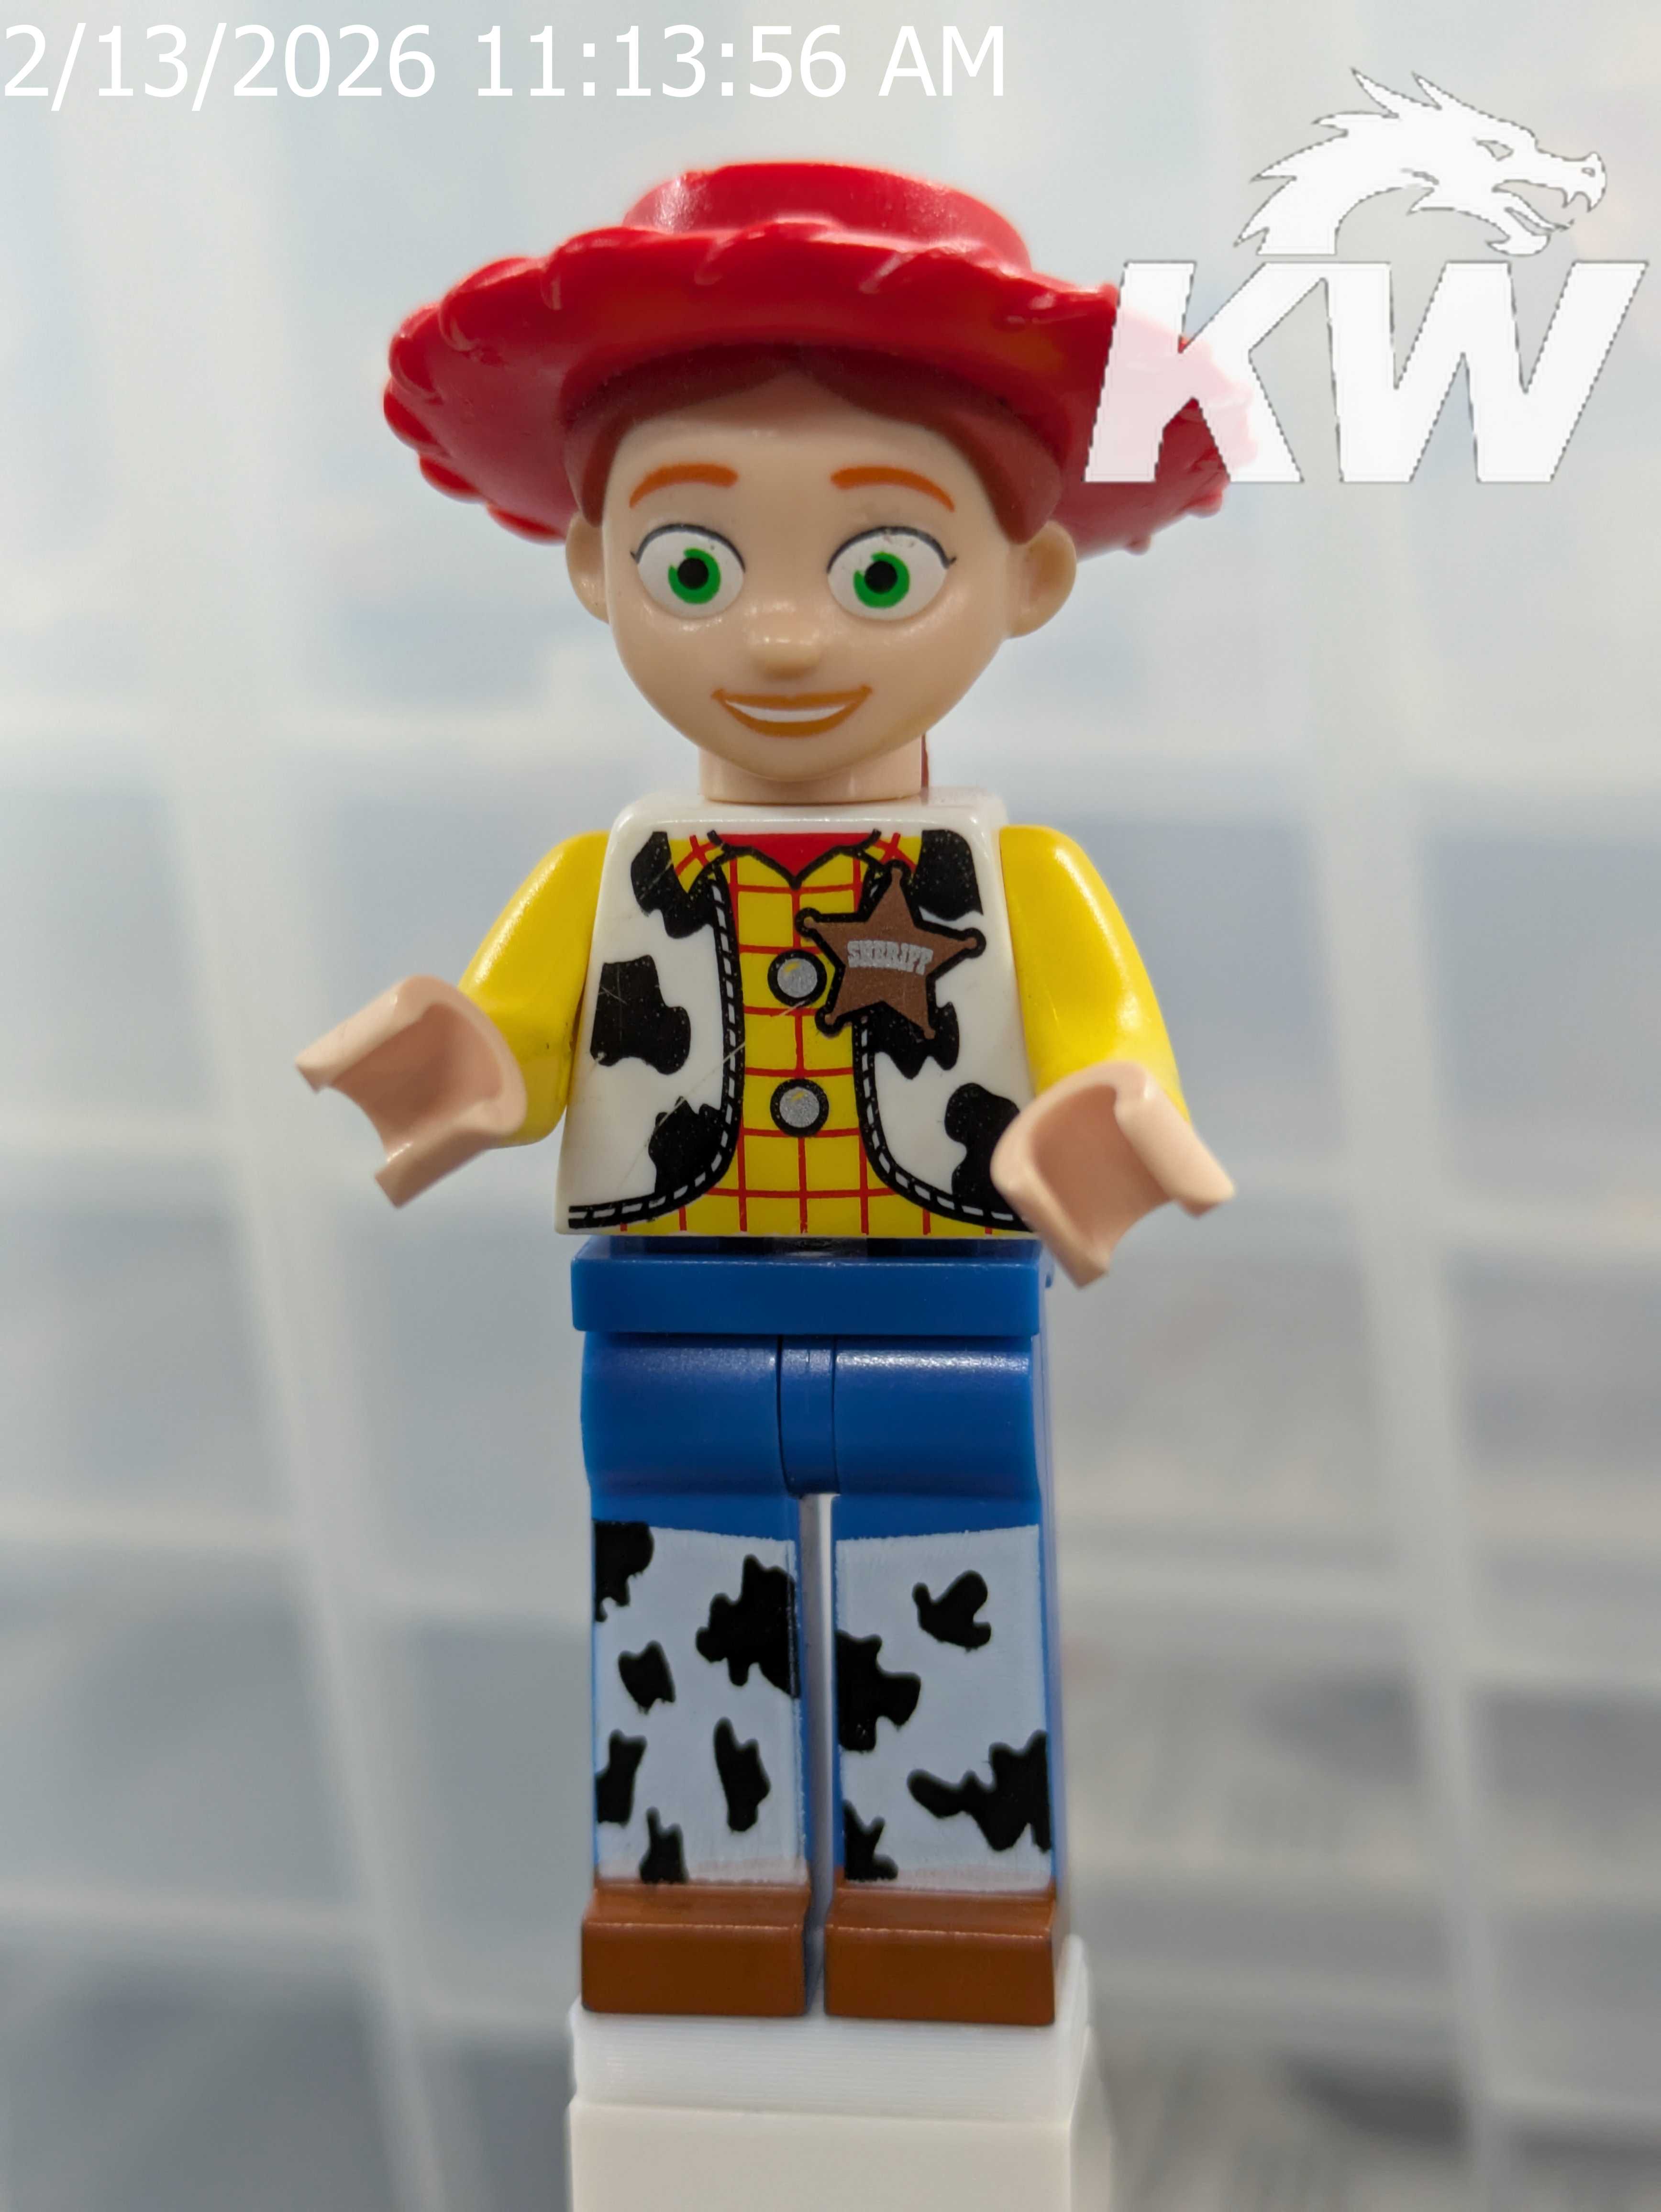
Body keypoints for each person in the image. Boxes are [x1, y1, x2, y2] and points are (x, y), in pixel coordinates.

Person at [299, 161, 1232, 2028]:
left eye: (881, 569)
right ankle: (691, 1889)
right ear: (595, 565)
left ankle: (951, 1895)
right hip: (672, 1301)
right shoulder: (606, 878)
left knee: (943, 1572)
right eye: (696, 567)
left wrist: (1108, 1122)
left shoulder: (1015, 882)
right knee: (678, 1576)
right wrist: (464, 1064)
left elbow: (1113, 1051)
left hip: (940, 1301)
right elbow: (519, 1032)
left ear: (1029, 579)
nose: (786, 639)